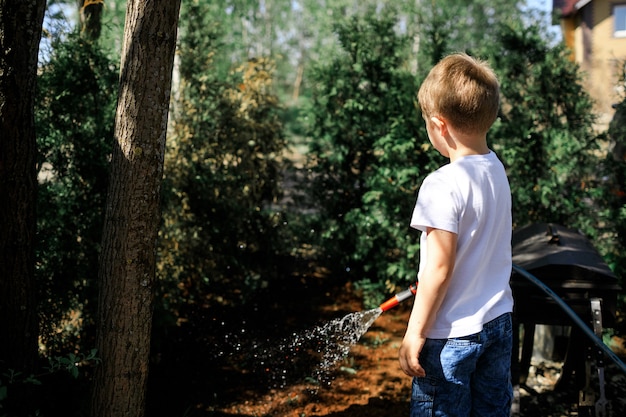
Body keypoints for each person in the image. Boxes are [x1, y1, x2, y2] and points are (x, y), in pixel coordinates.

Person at [398, 52, 514, 417]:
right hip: (498, 323)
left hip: (451, 336)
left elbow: (439, 270)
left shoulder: (441, 184)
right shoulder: (496, 170)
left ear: (438, 125)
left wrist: (415, 332)